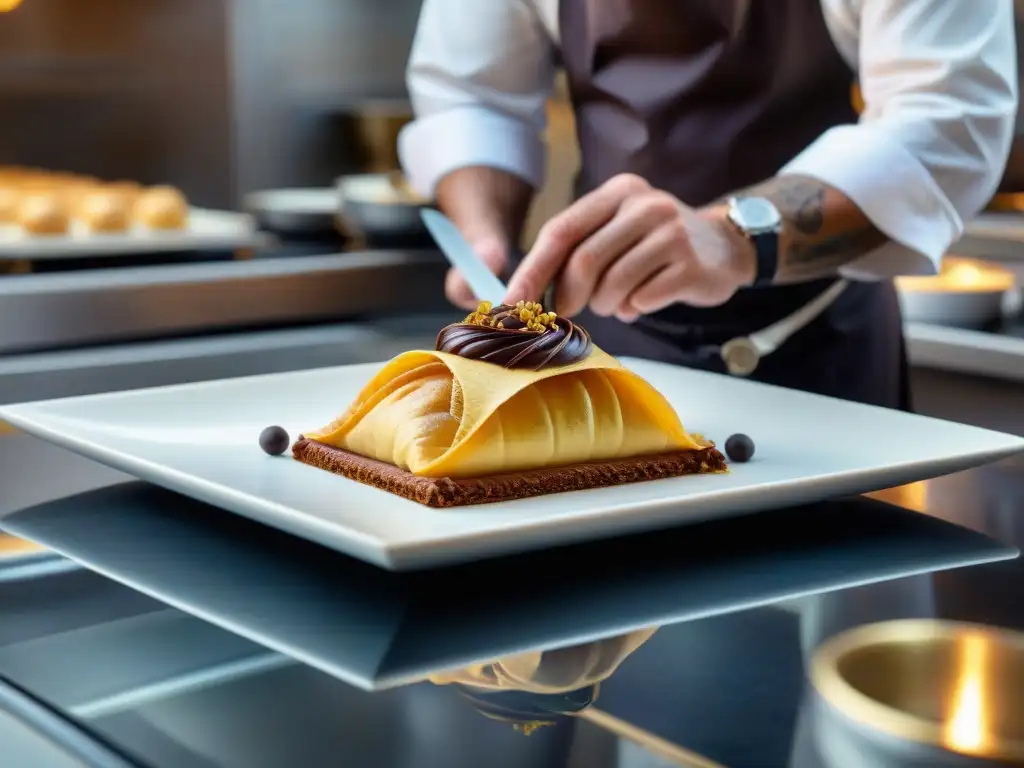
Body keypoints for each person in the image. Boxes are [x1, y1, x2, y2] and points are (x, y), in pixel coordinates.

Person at [398, 0, 1017, 410]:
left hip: (820, 351)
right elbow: (471, 97)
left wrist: (728, 237)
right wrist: (484, 231)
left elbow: (947, 120)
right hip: (599, 347)